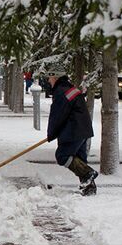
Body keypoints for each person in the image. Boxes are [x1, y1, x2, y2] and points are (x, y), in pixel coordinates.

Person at [46, 65, 98, 196]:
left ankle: (88, 174)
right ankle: (89, 188)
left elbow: (57, 116)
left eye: (50, 78)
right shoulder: (68, 88)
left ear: (56, 77)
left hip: (74, 130)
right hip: (83, 129)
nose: (48, 81)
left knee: (62, 156)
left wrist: (51, 134)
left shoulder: (61, 92)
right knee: (79, 159)